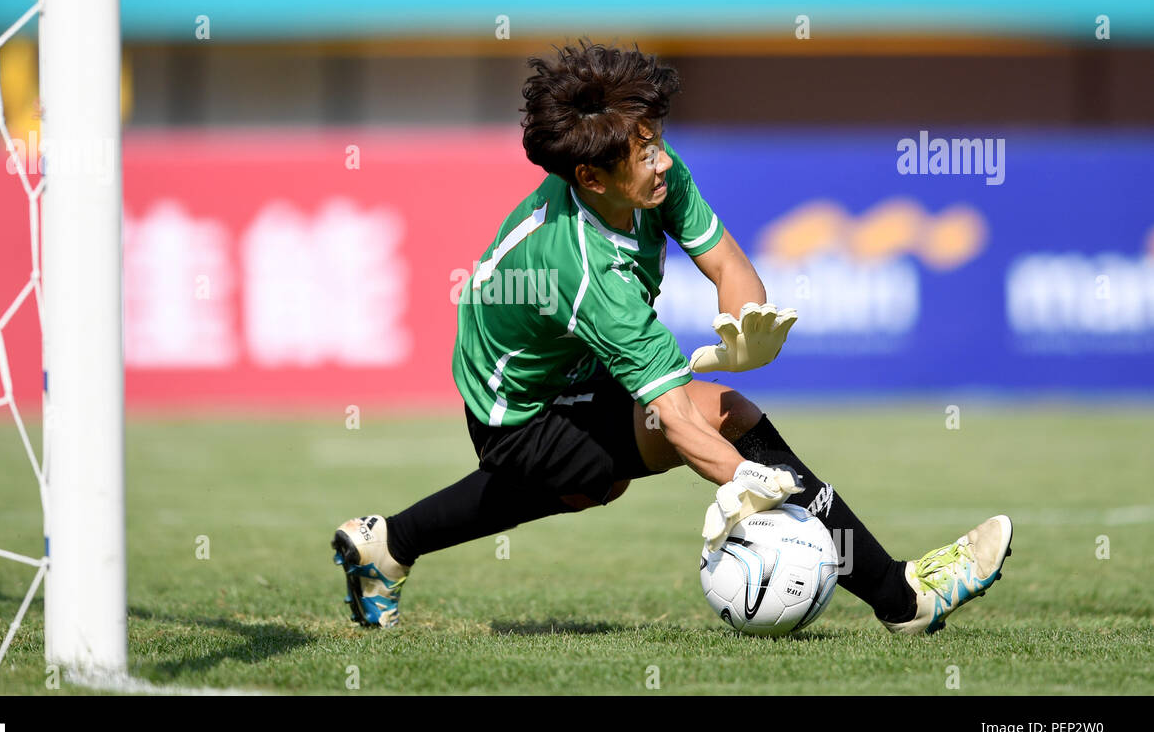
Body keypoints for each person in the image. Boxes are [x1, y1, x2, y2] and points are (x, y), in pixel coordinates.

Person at [331, 39, 1011, 635]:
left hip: (566, 370)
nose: (660, 162)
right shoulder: (582, 273)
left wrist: (744, 328)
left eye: (656, 141)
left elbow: (729, 266)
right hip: (517, 411)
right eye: (642, 153)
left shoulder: (654, 177)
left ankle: (386, 545)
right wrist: (752, 485)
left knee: (596, 479)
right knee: (713, 423)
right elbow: (682, 421)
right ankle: (904, 600)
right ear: (591, 178)